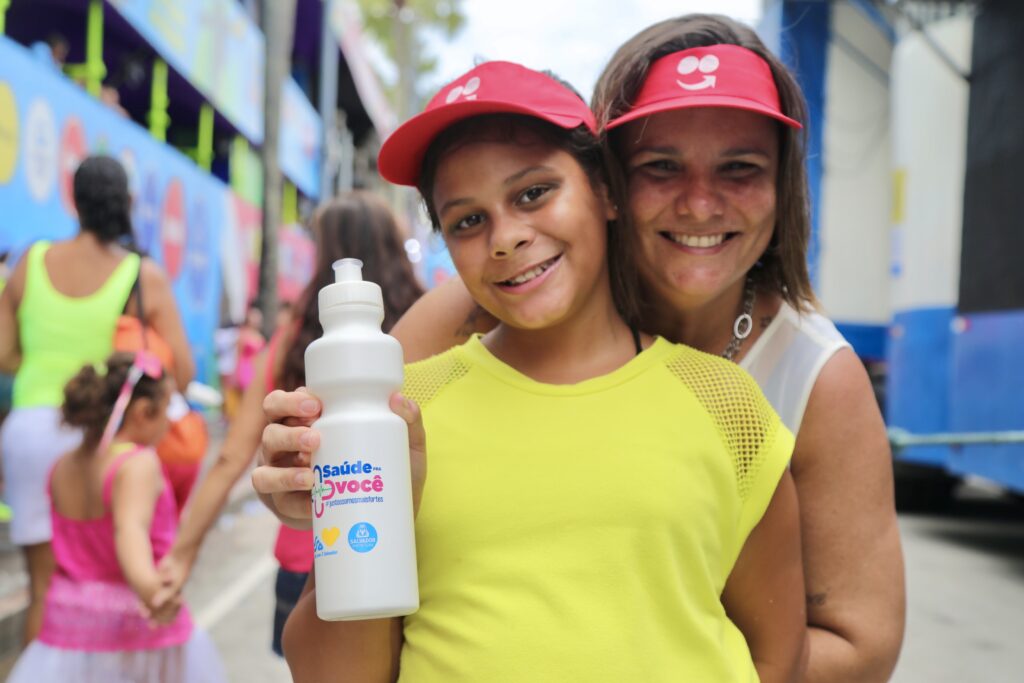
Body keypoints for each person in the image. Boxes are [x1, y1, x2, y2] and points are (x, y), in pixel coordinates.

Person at [256, 14, 905, 683]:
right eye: (468, 220)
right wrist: (337, 479)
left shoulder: (734, 401)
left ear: (602, 193)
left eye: (535, 192)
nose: (506, 236)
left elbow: (787, 654)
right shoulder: (415, 398)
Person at [156, 192, 424, 657]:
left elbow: (230, 456)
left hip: (311, 566)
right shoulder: (432, 325)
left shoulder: (291, 340)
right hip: (411, 559)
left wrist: (182, 554)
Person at [0, 155, 195, 643]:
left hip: (28, 430)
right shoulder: (139, 273)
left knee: (44, 589)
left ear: (74, 200)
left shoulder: (30, 260)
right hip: (103, 441)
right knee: (115, 585)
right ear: (126, 203)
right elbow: (184, 372)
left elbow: (5, 355)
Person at [7, 351, 223, 682]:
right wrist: (151, 591)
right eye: (166, 410)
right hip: (130, 631)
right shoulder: (136, 464)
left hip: (67, 628)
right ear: (141, 413)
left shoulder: (63, 465)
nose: (169, 423)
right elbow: (130, 532)